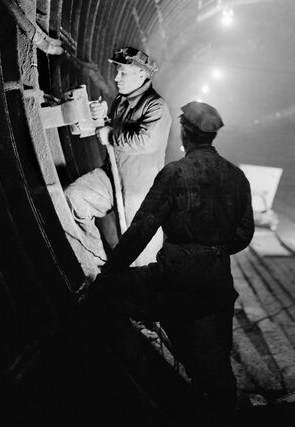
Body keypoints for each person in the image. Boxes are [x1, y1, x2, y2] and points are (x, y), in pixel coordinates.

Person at [86, 101, 254, 424]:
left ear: (185, 133)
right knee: (217, 375)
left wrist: (111, 270)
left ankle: (138, 388)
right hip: (217, 288)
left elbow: (141, 229)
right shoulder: (237, 177)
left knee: (104, 296)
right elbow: (244, 233)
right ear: (211, 137)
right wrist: (211, 251)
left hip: (172, 281)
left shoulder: (174, 173)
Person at [65, 46, 171, 275]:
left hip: (141, 191)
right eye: (117, 71)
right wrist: (102, 115)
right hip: (112, 177)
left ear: (141, 75)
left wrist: (111, 135)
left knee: (142, 258)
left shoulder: (157, 107)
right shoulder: (121, 101)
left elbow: (146, 141)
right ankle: (99, 264)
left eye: (123, 72)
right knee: (75, 198)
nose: (116, 77)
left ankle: (141, 303)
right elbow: (111, 127)